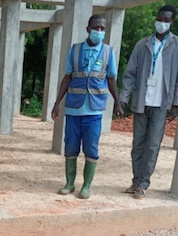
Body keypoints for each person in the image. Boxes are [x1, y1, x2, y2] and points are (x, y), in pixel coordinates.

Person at [51, 14, 123, 199]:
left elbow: (111, 79)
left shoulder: (108, 52)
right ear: (88, 29)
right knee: (71, 147)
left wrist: (117, 102)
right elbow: (67, 77)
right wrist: (57, 103)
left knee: (91, 148)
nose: (99, 32)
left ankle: (86, 186)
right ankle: (69, 183)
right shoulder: (75, 50)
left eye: (102, 29)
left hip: (95, 110)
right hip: (74, 109)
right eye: (96, 28)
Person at [119, 5, 178, 200]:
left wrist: (176, 103)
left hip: (162, 104)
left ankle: (143, 183)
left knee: (152, 145)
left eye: (166, 20)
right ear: (155, 19)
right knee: (137, 144)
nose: (162, 23)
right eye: (160, 19)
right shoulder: (142, 44)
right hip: (142, 101)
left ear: (172, 22)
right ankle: (135, 180)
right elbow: (130, 74)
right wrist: (124, 97)